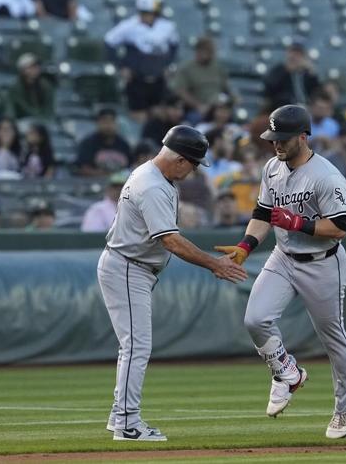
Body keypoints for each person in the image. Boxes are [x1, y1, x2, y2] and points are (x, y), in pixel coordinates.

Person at [214, 105, 346, 439]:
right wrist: (246, 246)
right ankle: (287, 373)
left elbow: (340, 227)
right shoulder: (272, 168)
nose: (276, 144)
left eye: (283, 138)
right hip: (283, 256)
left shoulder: (327, 175)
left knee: (332, 337)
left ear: (303, 137)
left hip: (323, 262)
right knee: (255, 319)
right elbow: (262, 213)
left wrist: (298, 223)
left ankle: (345, 406)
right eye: (273, 138)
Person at [101, 125, 247, 441]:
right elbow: (171, 241)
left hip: (131, 266)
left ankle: (120, 415)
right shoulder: (152, 185)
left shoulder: (153, 175)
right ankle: (127, 423)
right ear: (180, 160)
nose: (194, 170)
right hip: (128, 267)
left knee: (133, 346)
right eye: (193, 163)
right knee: (137, 346)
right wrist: (213, 264)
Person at [105, 0, 179, 123]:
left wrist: (168, 65)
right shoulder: (128, 26)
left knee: (159, 115)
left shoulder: (166, 26)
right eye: (144, 13)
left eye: (150, 13)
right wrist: (121, 67)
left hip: (158, 78)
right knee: (138, 116)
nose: (147, 16)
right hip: (137, 79)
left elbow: (174, 46)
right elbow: (109, 42)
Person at [171, 36, 235, 123]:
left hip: (218, 107)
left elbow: (227, 88)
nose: (206, 54)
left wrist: (234, 98)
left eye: (209, 51)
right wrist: (198, 106)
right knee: (194, 119)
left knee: (233, 119)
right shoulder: (187, 68)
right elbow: (180, 91)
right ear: (197, 51)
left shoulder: (218, 68)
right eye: (203, 51)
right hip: (197, 108)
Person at [75, 108, 132, 177]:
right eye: (104, 122)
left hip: (120, 184)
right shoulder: (88, 143)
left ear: (116, 124)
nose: (108, 125)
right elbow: (83, 169)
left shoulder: (124, 144)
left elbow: (131, 168)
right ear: (98, 123)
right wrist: (108, 175)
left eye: (111, 121)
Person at [263, 42, 320, 110]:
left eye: (298, 54)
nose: (294, 57)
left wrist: (311, 73)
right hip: (282, 107)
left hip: (305, 108)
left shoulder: (306, 74)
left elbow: (315, 91)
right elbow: (270, 88)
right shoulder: (279, 69)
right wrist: (287, 71)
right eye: (293, 53)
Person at [7, 53, 55, 120]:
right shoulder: (15, 88)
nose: (36, 69)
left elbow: (49, 109)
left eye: (37, 66)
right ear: (23, 70)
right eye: (32, 67)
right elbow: (20, 108)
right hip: (22, 121)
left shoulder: (46, 86)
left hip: (43, 122)